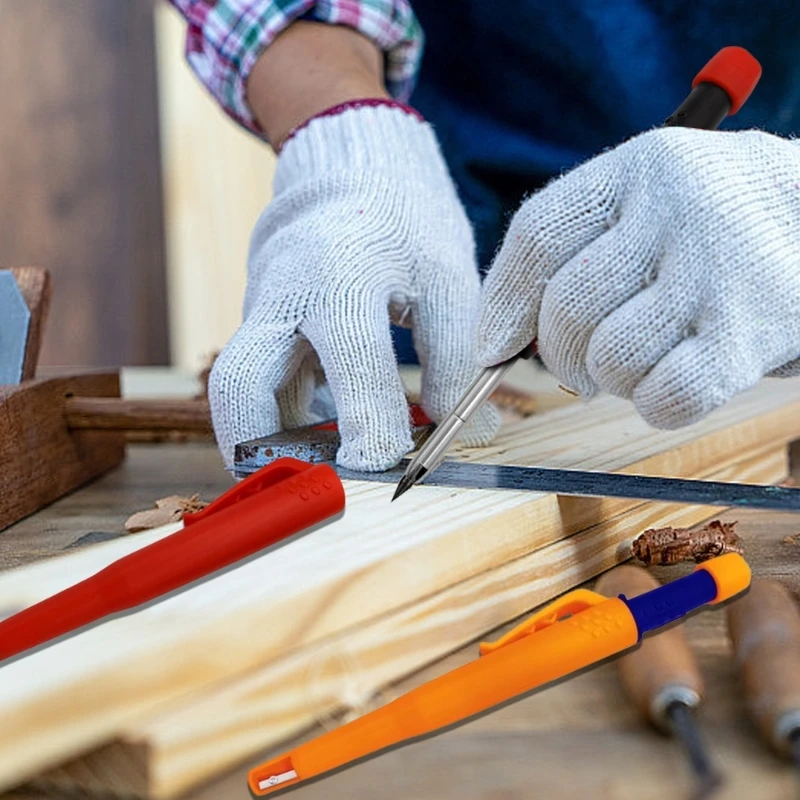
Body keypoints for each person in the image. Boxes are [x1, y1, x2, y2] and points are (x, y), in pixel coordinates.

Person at [168, 2, 800, 472]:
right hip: (443, 211)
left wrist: (788, 202)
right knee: (384, 402)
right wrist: (344, 129)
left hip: (746, 234)